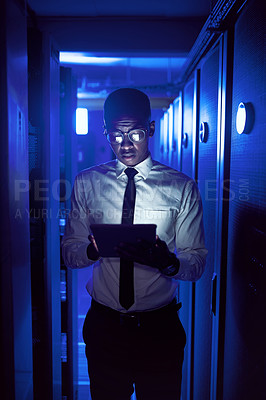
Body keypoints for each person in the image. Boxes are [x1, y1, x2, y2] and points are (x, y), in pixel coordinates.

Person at [61, 88, 207, 400]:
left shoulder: (181, 187)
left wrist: (166, 261)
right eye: (116, 135)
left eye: (136, 133)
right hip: (105, 328)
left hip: (159, 329)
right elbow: (70, 254)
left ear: (150, 129)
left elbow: (196, 262)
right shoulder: (86, 182)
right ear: (105, 132)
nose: (125, 144)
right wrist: (92, 250)